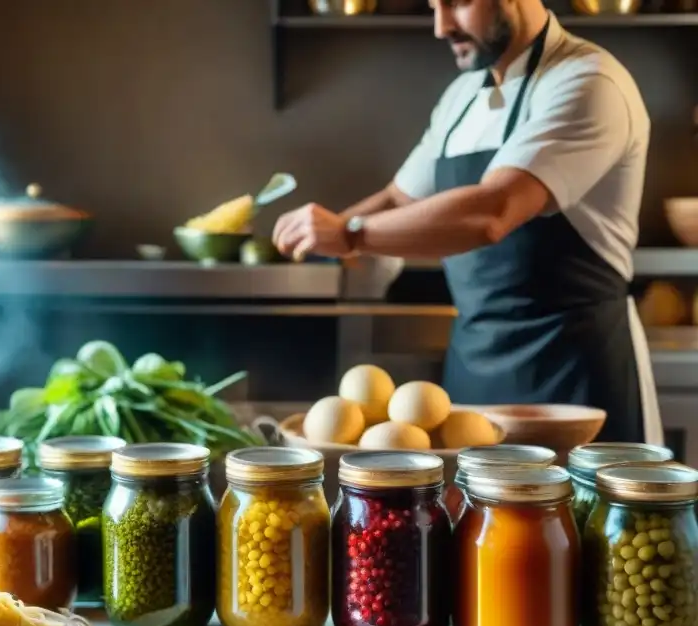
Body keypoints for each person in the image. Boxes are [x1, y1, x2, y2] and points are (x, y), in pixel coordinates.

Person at [272, 0, 662, 445]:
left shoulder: (588, 81)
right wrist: (318, 236)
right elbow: (401, 197)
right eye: (434, 5)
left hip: (574, 379)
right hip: (472, 372)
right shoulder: (461, 97)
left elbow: (493, 211)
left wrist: (349, 235)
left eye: (458, 3)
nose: (440, 27)